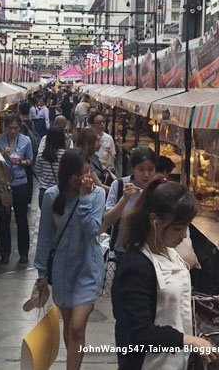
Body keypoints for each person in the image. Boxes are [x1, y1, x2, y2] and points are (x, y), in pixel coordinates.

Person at [116, 177, 219, 369]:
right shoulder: (136, 266)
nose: (185, 235)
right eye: (178, 228)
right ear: (155, 221)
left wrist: (214, 303)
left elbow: (175, 300)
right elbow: (139, 332)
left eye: (186, 226)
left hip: (177, 362)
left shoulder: (170, 252)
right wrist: (188, 340)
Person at [34, 148, 106, 370]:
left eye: (87, 172)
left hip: (88, 267)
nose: (84, 178)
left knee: (76, 326)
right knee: (69, 326)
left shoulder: (97, 195)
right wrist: (41, 273)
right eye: (79, 174)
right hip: (62, 271)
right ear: (67, 174)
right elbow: (45, 236)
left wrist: (84, 198)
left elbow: (92, 230)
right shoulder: (51, 196)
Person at [98, 147, 157, 366]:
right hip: (122, 259)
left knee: (145, 317)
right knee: (122, 318)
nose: (146, 174)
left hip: (150, 261)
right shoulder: (120, 185)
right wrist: (125, 198)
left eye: (150, 169)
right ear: (132, 169)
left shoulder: (158, 190)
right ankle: (125, 362)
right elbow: (107, 221)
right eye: (141, 169)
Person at [0, 115, 33, 264]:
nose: (13, 131)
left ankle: (23, 253)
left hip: (20, 181)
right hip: (3, 183)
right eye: (10, 128)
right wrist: (1, 154)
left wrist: (21, 161)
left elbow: (30, 160)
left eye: (15, 128)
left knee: (21, 218)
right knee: (4, 219)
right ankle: (4, 254)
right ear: (5, 128)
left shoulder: (26, 141)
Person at [35, 125, 66, 208]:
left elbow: (38, 171)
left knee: (45, 219)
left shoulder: (41, 154)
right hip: (60, 191)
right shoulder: (66, 155)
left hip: (44, 191)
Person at [76, 128, 110, 194]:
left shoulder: (93, 156)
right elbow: (99, 185)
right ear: (89, 143)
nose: (99, 144)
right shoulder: (84, 161)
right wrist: (117, 190)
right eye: (97, 141)